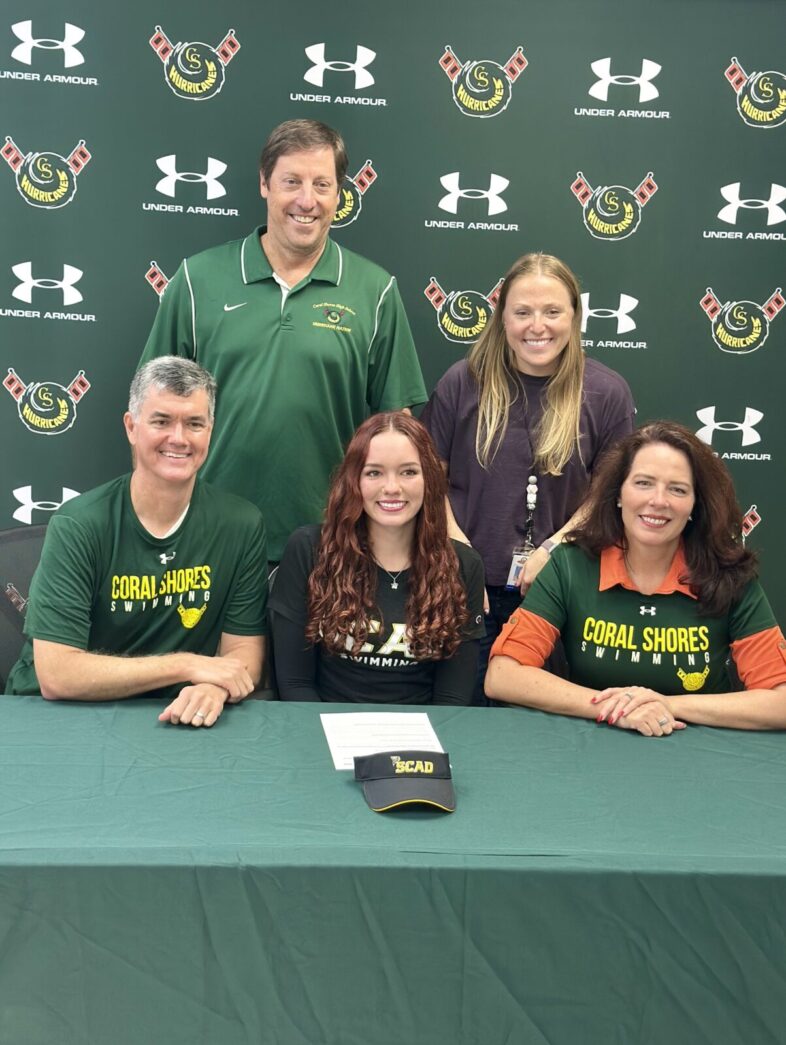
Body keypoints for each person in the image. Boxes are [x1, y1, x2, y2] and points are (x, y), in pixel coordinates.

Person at [139, 118, 427, 563]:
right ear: (264, 183)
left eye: (322, 185)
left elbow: (397, 428)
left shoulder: (375, 291)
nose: (307, 201)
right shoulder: (197, 280)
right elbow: (152, 413)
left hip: (331, 543)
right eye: (292, 182)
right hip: (207, 539)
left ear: (339, 194)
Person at [6, 358, 268, 728]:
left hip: (173, 716)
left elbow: (243, 651)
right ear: (131, 427)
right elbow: (57, 674)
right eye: (161, 421)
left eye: (194, 423)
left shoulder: (241, 524)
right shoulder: (79, 524)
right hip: (60, 717)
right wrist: (188, 665)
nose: (179, 438)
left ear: (210, 431)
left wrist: (214, 688)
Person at [421, 252, 635, 695]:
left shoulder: (607, 392)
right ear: (502, 318)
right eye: (522, 312)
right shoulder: (462, 382)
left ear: (574, 316)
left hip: (556, 592)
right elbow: (428, 480)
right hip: (465, 591)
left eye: (552, 311)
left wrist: (555, 548)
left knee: (541, 721)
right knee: (462, 716)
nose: (537, 326)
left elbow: (607, 496)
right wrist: (462, 561)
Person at [485, 421, 786, 734]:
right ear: (618, 494)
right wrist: (614, 709)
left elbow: (781, 701)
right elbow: (503, 675)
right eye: (643, 483)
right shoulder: (571, 564)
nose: (658, 500)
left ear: (695, 504)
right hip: (590, 745)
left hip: (702, 750)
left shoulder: (729, 576)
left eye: (678, 489)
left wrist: (667, 704)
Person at [270, 413, 485, 704]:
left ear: (430, 480)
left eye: (408, 472)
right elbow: (295, 683)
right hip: (323, 724)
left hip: (423, 730)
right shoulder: (309, 550)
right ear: (353, 480)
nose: (392, 487)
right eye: (374, 473)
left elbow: (452, 697)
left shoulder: (464, 566)